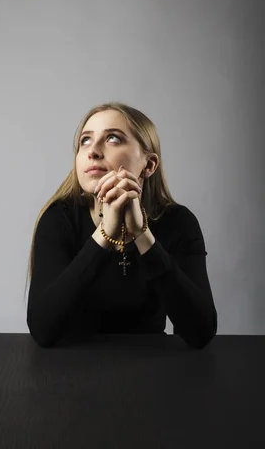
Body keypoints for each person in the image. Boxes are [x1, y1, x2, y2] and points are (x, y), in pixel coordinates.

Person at [26, 102, 217, 349]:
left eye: (113, 139)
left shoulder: (179, 222)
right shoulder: (58, 219)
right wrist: (105, 235)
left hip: (152, 372)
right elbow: (43, 329)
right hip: (72, 372)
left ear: (149, 165)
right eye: (85, 140)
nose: (92, 151)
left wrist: (142, 234)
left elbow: (200, 332)